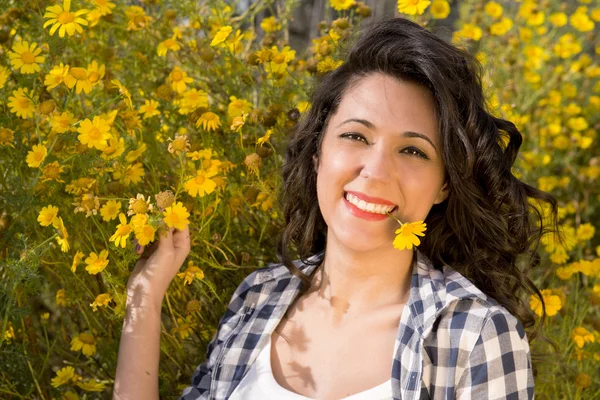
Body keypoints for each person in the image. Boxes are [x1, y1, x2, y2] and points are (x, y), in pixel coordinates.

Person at [113, 17, 559, 400]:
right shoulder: (258, 298)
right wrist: (144, 300)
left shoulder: (476, 335)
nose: (376, 170)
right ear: (317, 155)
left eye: (414, 151)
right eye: (356, 136)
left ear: (444, 185)